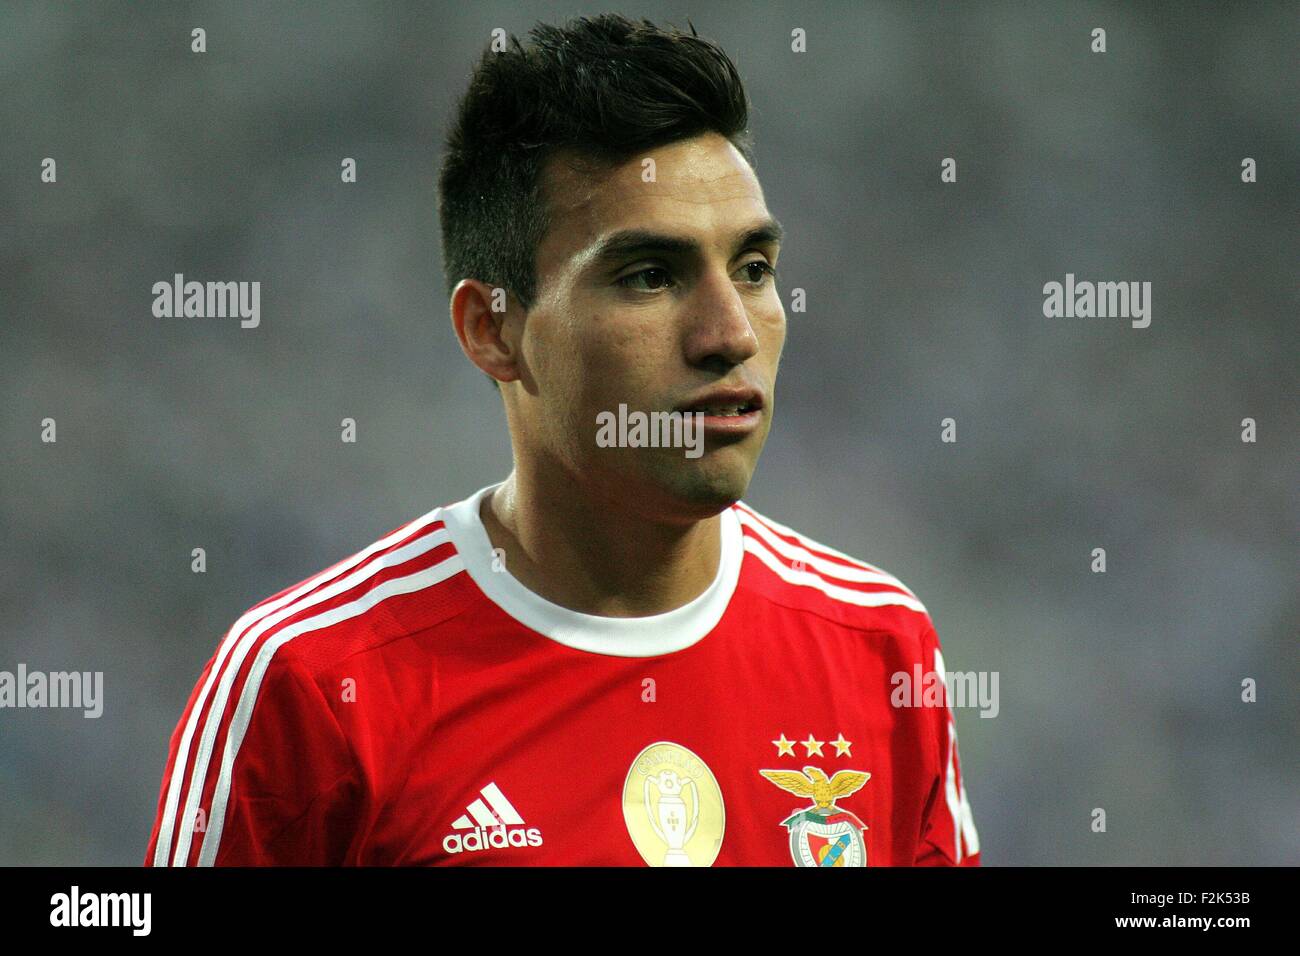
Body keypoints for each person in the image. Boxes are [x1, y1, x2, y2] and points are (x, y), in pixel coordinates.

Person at [146, 13, 979, 867]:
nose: (730, 333)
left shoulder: (880, 648)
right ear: (493, 330)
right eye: (650, 276)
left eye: (754, 269)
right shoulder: (316, 686)